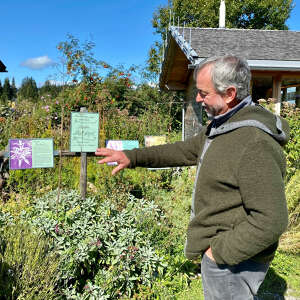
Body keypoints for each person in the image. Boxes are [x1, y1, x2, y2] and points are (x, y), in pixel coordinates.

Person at [95, 55, 290, 300]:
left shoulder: (253, 142)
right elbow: (184, 150)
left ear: (229, 94)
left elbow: (271, 220)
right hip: (225, 258)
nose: (197, 99)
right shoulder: (222, 127)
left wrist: (218, 253)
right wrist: (131, 157)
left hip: (233, 263)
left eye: (203, 93)